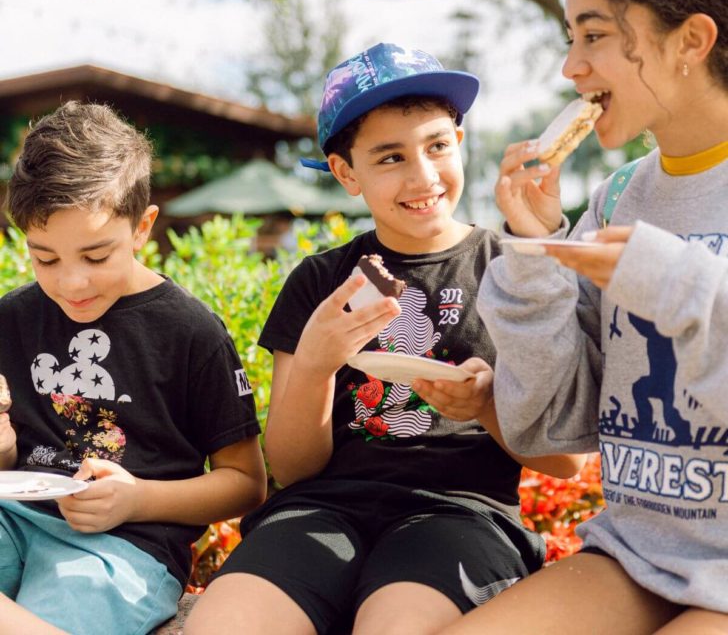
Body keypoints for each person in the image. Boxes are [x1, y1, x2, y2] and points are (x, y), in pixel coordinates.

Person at [184, 42, 586, 635]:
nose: (423, 175)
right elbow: (294, 468)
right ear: (347, 172)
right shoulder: (321, 281)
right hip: (320, 509)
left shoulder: (510, 267)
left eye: (437, 146)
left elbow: (566, 460)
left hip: (462, 513)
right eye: (390, 156)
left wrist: (484, 405)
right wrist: (319, 364)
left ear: (460, 141)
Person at [440, 0, 728, 635]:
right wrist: (535, 252)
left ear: (691, 40)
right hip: (635, 553)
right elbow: (554, 428)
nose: (571, 68)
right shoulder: (620, 196)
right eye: (571, 38)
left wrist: (673, 280)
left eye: (594, 35)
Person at [0, 101, 267, 635]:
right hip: (13, 518)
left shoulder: (191, 332)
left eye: (96, 256)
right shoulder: (11, 318)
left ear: (143, 227)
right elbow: (10, 453)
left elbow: (246, 484)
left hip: (124, 549)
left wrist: (138, 499)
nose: (71, 283)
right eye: (45, 258)